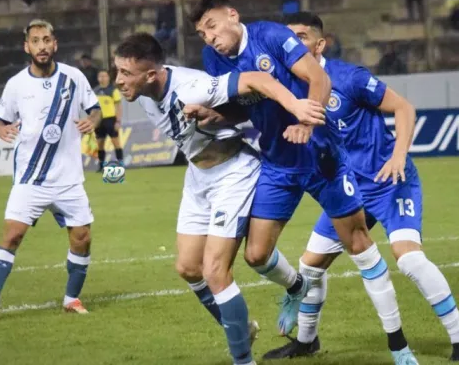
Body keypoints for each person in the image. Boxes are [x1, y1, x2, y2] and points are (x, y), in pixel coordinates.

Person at [189, 0, 418, 365]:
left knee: (359, 245)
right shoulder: (211, 59)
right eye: (201, 33)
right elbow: (242, 103)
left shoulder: (272, 36)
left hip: (320, 157)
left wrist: (306, 123)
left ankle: (399, 346)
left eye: (212, 26)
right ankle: (297, 287)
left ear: (233, 15)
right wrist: (213, 115)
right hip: (278, 163)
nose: (209, 37)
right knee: (257, 255)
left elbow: (319, 77)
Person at [262, 12, 459, 362]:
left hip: (389, 181)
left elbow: (403, 107)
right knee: (310, 267)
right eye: (287, 38)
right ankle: (306, 341)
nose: (291, 44)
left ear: (320, 44)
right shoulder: (290, 88)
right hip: (347, 190)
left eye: (300, 37)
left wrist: (398, 155)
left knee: (410, 260)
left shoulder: (349, 77)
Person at [113, 32, 325, 365]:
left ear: (151, 74)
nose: (118, 81)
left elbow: (256, 79)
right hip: (198, 178)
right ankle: (243, 327)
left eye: (125, 73)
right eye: (118, 71)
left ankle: (243, 359)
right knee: (187, 268)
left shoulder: (192, 87)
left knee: (215, 270)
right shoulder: (141, 95)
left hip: (233, 173)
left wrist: (297, 106)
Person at [0, 19, 102, 323]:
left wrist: (92, 122)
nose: (42, 46)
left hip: (69, 178)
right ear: (27, 47)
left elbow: (95, 108)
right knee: (12, 235)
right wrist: (0, 130)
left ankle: (72, 299)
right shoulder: (17, 84)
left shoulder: (73, 77)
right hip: (30, 177)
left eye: (47, 40)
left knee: (82, 238)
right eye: (36, 41)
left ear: (55, 44)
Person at [93, 69, 123, 172]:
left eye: (104, 76)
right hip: (99, 120)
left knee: (116, 142)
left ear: (108, 77)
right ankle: (101, 166)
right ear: (98, 78)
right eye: (100, 76)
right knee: (100, 143)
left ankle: (120, 164)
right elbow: (93, 108)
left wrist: (118, 121)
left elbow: (118, 106)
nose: (102, 78)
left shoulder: (113, 90)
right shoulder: (95, 91)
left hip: (110, 119)